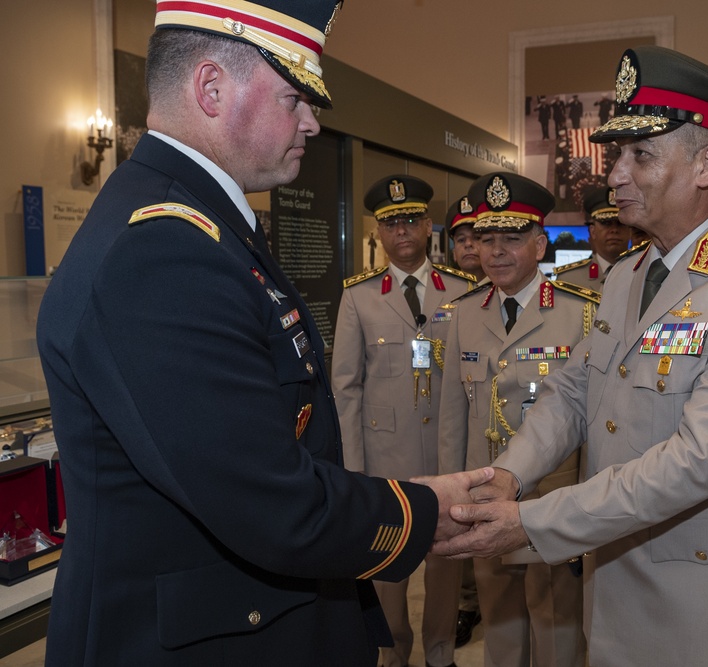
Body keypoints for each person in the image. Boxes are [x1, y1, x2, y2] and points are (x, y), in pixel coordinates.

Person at [33, 2, 488, 665]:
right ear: (211, 89)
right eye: (294, 96)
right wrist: (422, 511)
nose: (312, 120)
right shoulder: (161, 250)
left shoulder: (205, 224)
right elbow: (270, 502)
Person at [434, 45, 708, 666]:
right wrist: (509, 474)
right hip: (613, 574)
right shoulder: (628, 274)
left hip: (703, 598)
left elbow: (697, 462)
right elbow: (574, 391)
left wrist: (533, 521)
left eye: (640, 155)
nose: (613, 175)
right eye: (618, 154)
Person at [438, 172, 598, 667]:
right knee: (502, 626)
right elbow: (452, 419)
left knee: (556, 627)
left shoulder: (580, 314)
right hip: (482, 499)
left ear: (539, 242)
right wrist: (451, 496)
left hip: (553, 499)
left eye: (511, 239)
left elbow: (589, 422)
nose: (496, 252)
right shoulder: (463, 313)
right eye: (486, 239)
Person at [333, 174, 478, 667]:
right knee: (387, 568)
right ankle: (393, 654)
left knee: (444, 567)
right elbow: (346, 388)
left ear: (428, 226)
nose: (402, 232)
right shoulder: (358, 297)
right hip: (383, 461)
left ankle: (441, 655)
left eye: (412, 220)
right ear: (377, 231)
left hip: (445, 457)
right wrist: (353, 470)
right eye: (391, 223)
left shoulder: (461, 291)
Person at [445, 194, 486, 648]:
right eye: (464, 238)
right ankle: (466, 602)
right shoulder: (449, 296)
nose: (473, 246)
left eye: (482, 236)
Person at [553, 187, 630, 290]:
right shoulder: (569, 279)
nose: (614, 230)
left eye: (620, 223)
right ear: (593, 231)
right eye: (606, 223)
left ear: (630, 230)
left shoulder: (644, 273)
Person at [448, 195, 485, 282]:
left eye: (476, 238)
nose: (468, 244)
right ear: (454, 253)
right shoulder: (443, 293)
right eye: (461, 240)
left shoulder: (504, 292)